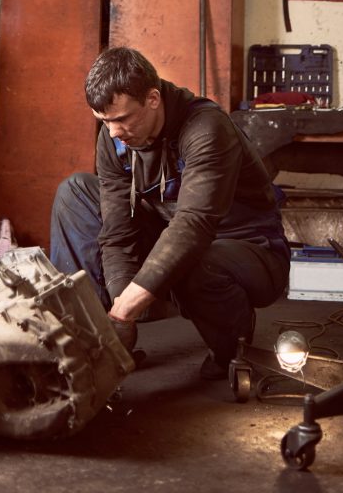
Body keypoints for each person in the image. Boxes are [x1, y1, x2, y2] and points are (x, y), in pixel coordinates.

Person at [50, 46, 290, 378]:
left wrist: (125, 310)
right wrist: (122, 306)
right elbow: (117, 232)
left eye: (121, 119)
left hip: (250, 249)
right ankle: (96, 343)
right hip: (172, 235)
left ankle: (231, 349)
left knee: (196, 257)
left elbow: (193, 225)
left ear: (152, 99)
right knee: (74, 192)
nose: (113, 132)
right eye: (104, 121)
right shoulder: (114, 138)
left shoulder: (207, 128)